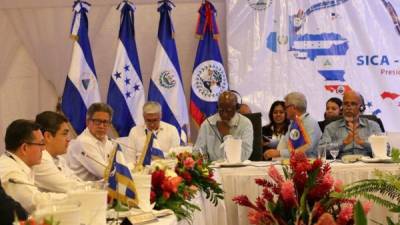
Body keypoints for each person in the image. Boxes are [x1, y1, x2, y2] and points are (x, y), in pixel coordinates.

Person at [0, 119, 66, 213]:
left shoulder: (20, 163)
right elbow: (35, 202)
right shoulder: (10, 171)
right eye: (41, 144)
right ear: (24, 148)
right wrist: (71, 197)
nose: (43, 149)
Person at [195, 91, 254, 161]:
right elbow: (197, 153)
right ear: (217, 107)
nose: (224, 114)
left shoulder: (245, 124)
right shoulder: (207, 124)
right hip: (213, 169)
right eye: (221, 110)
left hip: (237, 169)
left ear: (237, 108)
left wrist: (227, 135)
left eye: (229, 111)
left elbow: (244, 156)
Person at [320, 90, 381, 158]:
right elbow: (321, 151)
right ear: (342, 107)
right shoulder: (331, 127)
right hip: (340, 165)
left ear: (361, 108)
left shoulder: (373, 126)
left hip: (367, 165)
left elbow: (385, 150)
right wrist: (343, 143)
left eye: (353, 104)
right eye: (346, 104)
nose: (348, 107)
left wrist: (363, 143)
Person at [33, 111, 82, 193]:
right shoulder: (40, 160)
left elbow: (77, 181)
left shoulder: (59, 158)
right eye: (64, 134)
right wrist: (98, 188)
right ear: (48, 136)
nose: (68, 139)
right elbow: (69, 188)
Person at [264, 92, 321, 159]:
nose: (285, 111)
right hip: (293, 163)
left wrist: (279, 153)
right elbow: (286, 142)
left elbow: (306, 150)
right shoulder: (294, 122)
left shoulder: (310, 123)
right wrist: (269, 143)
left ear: (293, 107)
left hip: (308, 165)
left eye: (285, 107)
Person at [67, 103, 114, 181]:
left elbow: (119, 166)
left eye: (105, 122)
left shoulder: (107, 141)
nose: (102, 126)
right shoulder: (84, 141)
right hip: (82, 190)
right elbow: (104, 173)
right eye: (98, 122)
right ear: (88, 122)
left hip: (98, 188)